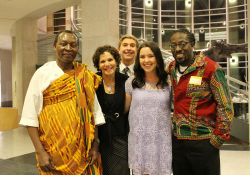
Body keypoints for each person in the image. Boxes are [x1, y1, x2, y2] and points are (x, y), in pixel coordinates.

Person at [19, 30, 105, 175]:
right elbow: (30, 116)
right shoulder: (42, 74)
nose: (68, 48)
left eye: (73, 45)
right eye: (63, 44)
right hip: (53, 151)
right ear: (54, 46)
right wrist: (40, 152)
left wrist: (95, 146)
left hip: (84, 151)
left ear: (77, 49)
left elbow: (94, 113)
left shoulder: (84, 76)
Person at [167, 28, 234, 175]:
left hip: (204, 142)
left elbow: (225, 106)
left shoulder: (211, 68)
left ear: (192, 45)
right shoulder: (171, 68)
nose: (178, 49)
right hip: (178, 142)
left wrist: (217, 139)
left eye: (182, 44)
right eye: (173, 45)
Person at [125, 41, 172, 175]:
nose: (146, 60)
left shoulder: (168, 82)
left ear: (157, 57)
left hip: (161, 141)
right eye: (142, 57)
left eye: (150, 56)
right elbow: (125, 111)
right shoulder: (131, 82)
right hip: (139, 142)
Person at [92, 45, 130, 175]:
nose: (107, 64)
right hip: (99, 138)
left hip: (121, 137)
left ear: (116, 61)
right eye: (102, 61)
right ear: (98, 65)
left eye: (110, 60)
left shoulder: (125, 81)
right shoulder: (93, 81)